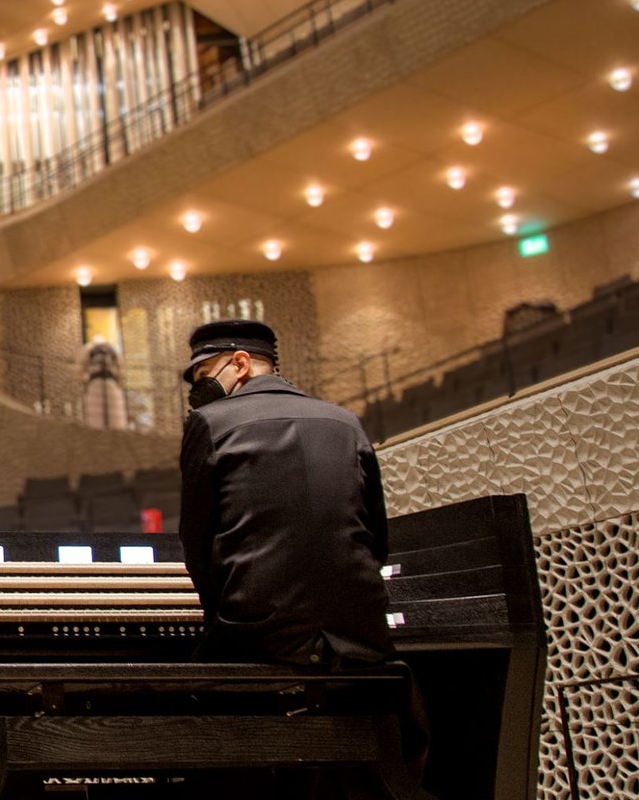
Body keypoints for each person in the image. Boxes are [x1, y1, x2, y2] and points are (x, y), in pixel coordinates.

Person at [178, 320, 421, 796]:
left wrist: (227, 616)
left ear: (240, 363)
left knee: (191, 693)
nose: (200, 388)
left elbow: (197, 546)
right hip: (360, 635)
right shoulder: (346, 421)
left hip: (258, 632)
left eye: (205, 371)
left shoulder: (209, 424)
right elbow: (376, 538)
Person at [80, 335, 127, 430]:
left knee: (96, 418)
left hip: (94, 384)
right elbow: (121, 370)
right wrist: (119, 383)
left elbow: (81, 368)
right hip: (112, 384)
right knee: (115, 417)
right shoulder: (113, 349)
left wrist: (84, 381)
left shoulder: (87, 349)